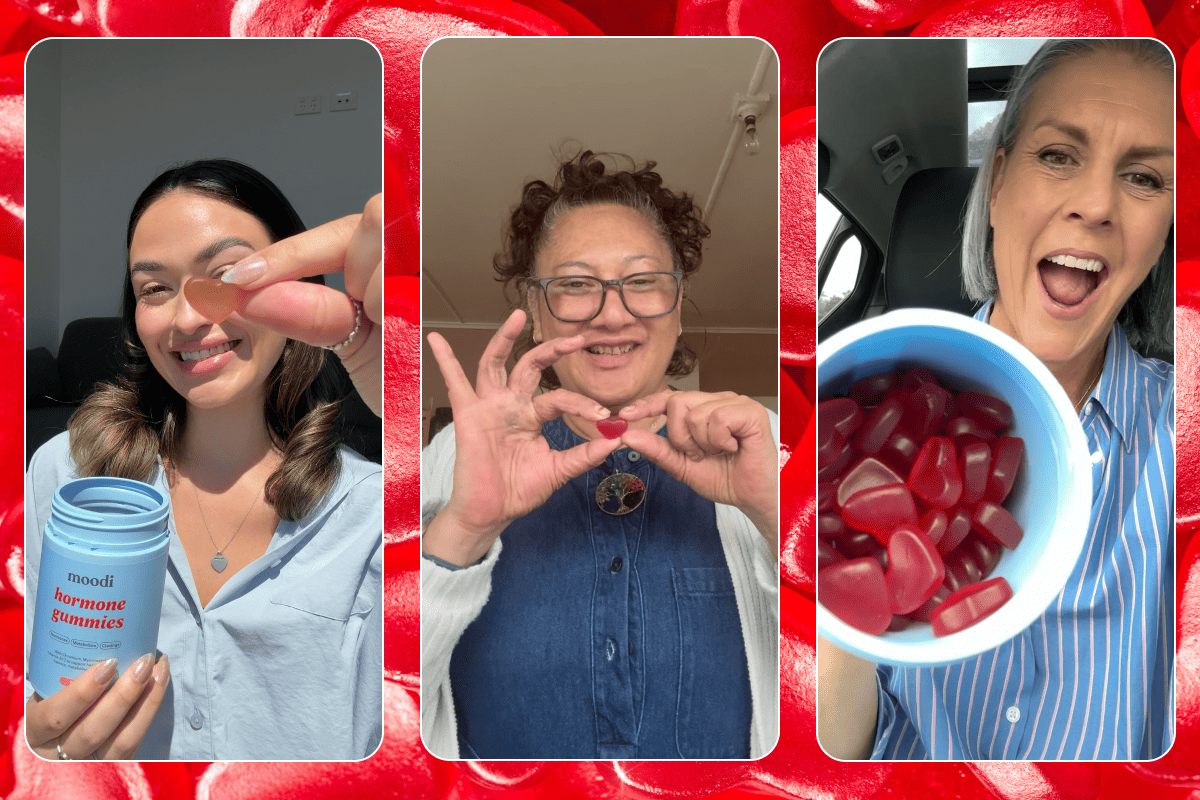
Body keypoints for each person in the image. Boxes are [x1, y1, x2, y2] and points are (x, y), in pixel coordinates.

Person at [817, 39, 1174, 760]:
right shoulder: (849, 402)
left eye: (1142, 177)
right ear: (1000, 182)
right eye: (1057, 156)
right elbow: (837, 754)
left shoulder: (1182, 436)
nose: (1097, 205)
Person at [421, 151, 779, 759]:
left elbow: (845, 691)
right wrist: (462, 532)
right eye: (575, 285)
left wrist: (777, 516)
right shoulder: (447, 459)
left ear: (677, 301)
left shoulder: (762, 447)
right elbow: (377, 701)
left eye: (642, 282)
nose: (612, 314)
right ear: (536, 312)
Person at [24, 159, 384, 760]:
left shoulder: (375, 510)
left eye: (225, 274)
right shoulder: (66, 475)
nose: (188, 317)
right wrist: (33, 757)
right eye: (155, 289)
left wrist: (397, 386)